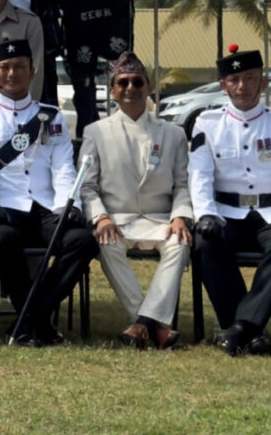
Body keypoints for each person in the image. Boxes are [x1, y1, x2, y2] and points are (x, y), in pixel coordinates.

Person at [0, 40, 95, 346]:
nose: (12, 73)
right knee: (0, 238)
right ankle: (38, 323)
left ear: (32, 72)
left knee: (81, 241)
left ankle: (29, 319)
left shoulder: (51, 116)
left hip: (43, 205)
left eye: (19, 66)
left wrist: (64, 206)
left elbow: (62, 167)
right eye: (4, 67)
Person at [189, 43, 271, 356]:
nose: (243, 86)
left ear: (264, 82)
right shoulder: (207, 123)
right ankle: (250, 330)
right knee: (205, 242)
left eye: (251, 78)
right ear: (223, 85)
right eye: (235, 80)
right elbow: (199, 174)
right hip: (225, 211)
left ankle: (240, 328)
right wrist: (205, 213)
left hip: (270, 211)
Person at [78, 52, 191, 349]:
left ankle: (142, 325)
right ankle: (156, 327)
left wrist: (180, 215)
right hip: (117, 219)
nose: (131, 87)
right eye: (123, 82)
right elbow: (87, 186)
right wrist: (100, 217)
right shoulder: (95, 132)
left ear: (148, 87)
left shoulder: (174, 133)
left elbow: (182, 184)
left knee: (181, 242)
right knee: (105, 242)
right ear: (113, 90)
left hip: (160, 218)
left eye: (137, 81)